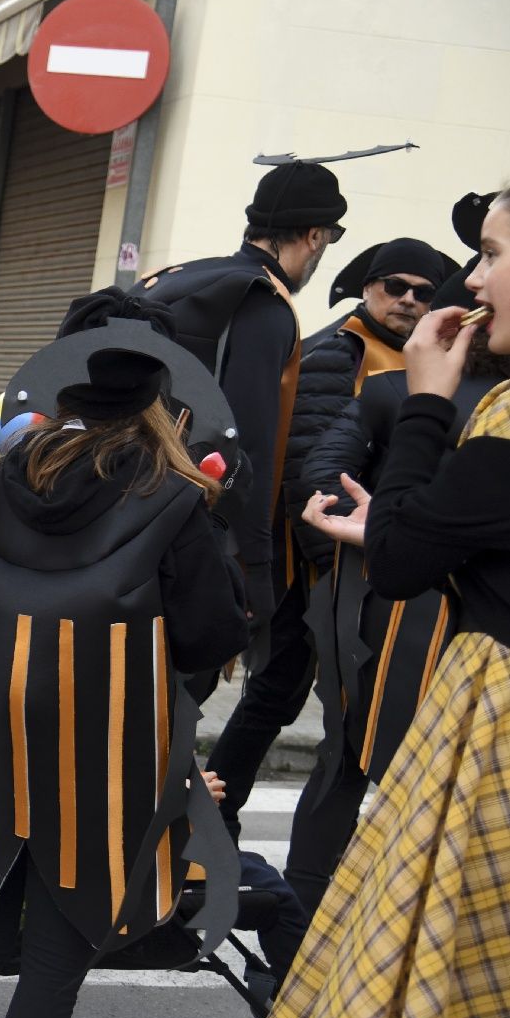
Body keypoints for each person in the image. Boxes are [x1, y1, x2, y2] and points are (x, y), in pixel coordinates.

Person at [0, 291, 248, 1018]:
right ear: (160, 405)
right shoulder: (172, 499)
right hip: (98, 755)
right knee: (57, 963)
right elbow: (208, 637)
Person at [272, 190, 510, 1018]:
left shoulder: (470, 405)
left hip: (473, 694)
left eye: (486, 255)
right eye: (402, 283)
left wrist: (427, 406)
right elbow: (326, 474)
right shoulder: (353, 369)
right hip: (387, 626)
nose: (459, 284)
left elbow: (412, 553)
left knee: (409, 977)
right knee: (344, 762)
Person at [205, 235, 451, 835]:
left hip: (366, 561)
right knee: (277, 697)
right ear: (368, 288)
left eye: (422, 293)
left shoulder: (420, 361)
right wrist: (337, 569)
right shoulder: (339, 355)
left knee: (335, 708)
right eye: (395, 287)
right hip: (320, 567)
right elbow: (309, 471)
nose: (408, 301)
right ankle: (214, 819)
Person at [286, 328, 510, 919]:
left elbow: (324, 475)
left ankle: (299, 925)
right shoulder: (408, 394)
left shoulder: (397, 392)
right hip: (431, 604)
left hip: (390, 601)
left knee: (350, 762)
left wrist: (385, 520)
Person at [134, 161, 346, 655]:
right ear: (314, 236)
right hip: (190, 538)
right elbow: (246, 441)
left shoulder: (172, 277)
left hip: (122, 508)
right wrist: (254, 567)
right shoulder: (263, 303)